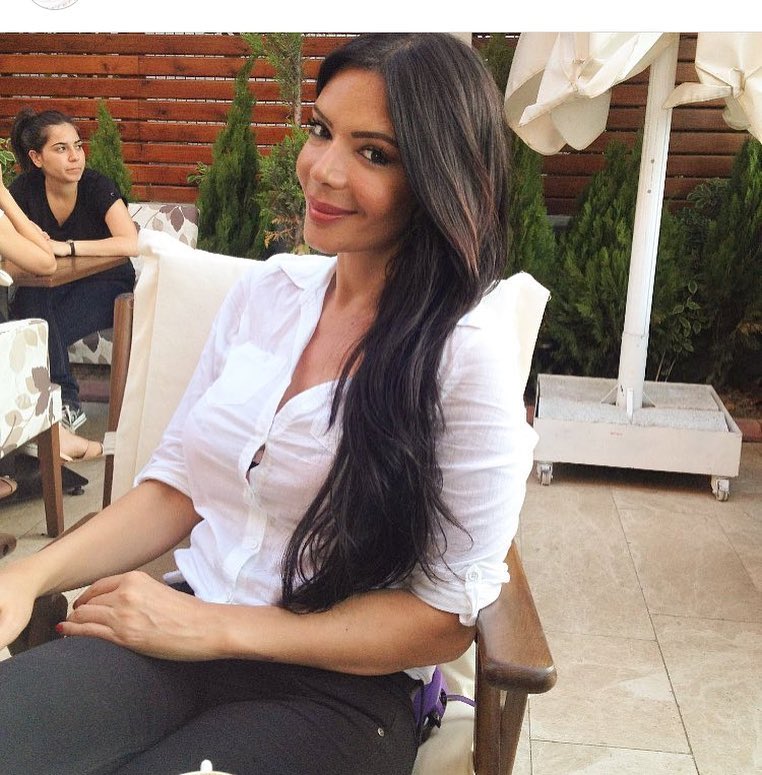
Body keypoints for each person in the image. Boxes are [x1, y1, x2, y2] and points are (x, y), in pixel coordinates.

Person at [0, 34, 537, 775]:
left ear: (439, 177)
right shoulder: (267, 294)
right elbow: (178, 487)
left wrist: (217, 628)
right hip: (177, 631)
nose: (323, 169)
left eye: (373, 153)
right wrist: (29, 575)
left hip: (340, 689)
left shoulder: (464, 355)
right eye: (322, 130)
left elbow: (443, 619)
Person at [8, 107, 138, 432]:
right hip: (50, 286)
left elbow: (130, 243)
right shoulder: (24, 191)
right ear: (37, 158)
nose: (75, 157)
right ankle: (54, 409)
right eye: (61, 148)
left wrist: (67, 247)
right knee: (28, 306)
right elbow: (11, 257)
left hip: (108, 285)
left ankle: (60, 404)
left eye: (77, 146)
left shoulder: (96, 186)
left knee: (39, 330)